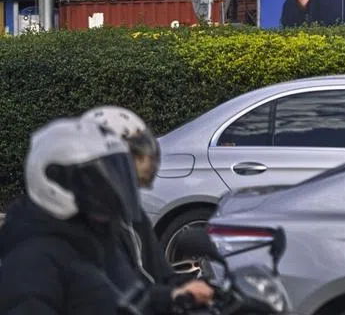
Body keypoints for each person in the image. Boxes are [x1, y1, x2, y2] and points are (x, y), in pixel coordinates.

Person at [0, 118, 150, 314]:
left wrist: (170, 298)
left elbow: (125, 296)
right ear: (54, 179)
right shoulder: (32, 261)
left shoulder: (93, 242)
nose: (109, 192)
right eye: (95, 182)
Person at [81, 106, 215, 312]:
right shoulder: (80, 224)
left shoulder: (131, 216)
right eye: (132, 157)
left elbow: (159, 273)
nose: (142, 167)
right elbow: (111, 292)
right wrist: (171, 296)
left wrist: (192, 285)